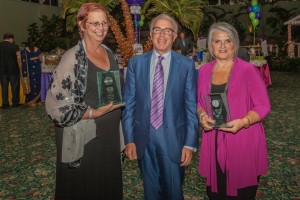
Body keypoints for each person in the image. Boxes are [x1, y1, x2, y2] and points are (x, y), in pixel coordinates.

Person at [45, 3, 123, 199]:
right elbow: (56, 107)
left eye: (104, 22)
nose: (101, 27)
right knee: (85, 185)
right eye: (94, 23)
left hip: (109, 134)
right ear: (82, 25)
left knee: (106, 182)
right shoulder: (73, 58)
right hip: (84, 136)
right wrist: (91, 113)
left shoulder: (109, 53)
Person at [122, 14, 199, 200]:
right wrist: (129, 139)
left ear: (174, 36)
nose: (162, 35)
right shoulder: (135, 64)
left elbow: (191, 107)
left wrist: (189, 143)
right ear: (151, 34)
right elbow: (129, 104)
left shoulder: (186, 66)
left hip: (173, 138)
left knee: (173, 191)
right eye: (157, 30)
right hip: (143, 138)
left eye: (167, 30)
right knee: (150, 191)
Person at [197, 22, 270, 199]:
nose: (222, 46)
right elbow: (198, 102)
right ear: (210, 45)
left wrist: (243, 122)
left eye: (227, 41)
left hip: (243, 139)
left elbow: (263, 106)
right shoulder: (203, 71)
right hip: (213, 139)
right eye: (217, 41)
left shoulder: (248, 70)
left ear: (234, 44)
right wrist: (202, 115)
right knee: (215, 193)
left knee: (242, 193)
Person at [0, 33, 21, 109]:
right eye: (13, 39)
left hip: (2, 71)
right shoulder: (15, 46)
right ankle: (15, 103)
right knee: (15, 87)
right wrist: (20, 68)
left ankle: (5, 104)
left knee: (4, 88)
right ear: (10, 38)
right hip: (14, 70)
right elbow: (19, 59)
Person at [21, 39, 42, 107]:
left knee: (30, 83)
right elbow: (41, 60)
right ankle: (38, 101)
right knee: (37, 82)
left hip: (28, 70)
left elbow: (22, 61)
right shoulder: (38, 50)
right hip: (37, 69)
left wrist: (30, 59)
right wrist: (36, 58)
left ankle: (30, 101)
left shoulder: (24, 51)